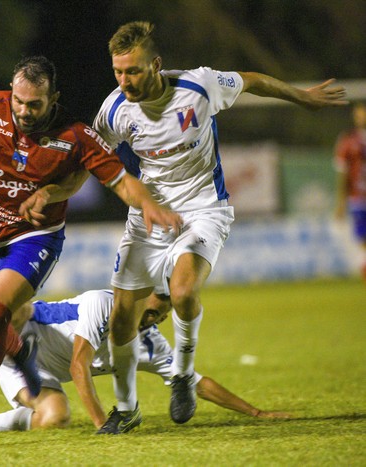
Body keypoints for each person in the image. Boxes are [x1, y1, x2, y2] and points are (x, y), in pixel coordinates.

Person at [0, 55, 182, 446]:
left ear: (53, 100)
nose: (23, 110)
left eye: (34, 104)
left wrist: (148, 203)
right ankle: (25, 364)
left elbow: (121, 181)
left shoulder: (76, 137)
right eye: (19, 101)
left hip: (35, 236)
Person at [83, 21, 348, 431]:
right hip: (149, 215)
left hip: (204, 208)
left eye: (132, 70)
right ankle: (127, 408)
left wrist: (302, 96)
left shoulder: (199, 86)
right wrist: (50, 194)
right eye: (117, 72)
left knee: (183, 291)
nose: (124, 81)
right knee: (122, 317)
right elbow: (89, 156)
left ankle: (184, 376)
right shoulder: (115, 109)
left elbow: (252, 80)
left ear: (156, 64)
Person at [0, 290, 292, 433]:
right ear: (136, 297)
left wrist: (257, 414)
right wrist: (103, 423)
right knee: (17, 307)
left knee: (55, 418)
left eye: (161, 317)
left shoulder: (150, 342)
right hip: (16, 349)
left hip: (45, 371)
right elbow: (80, 365)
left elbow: (194, 381)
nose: (152, 321)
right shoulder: (101, 305)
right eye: (151, 311)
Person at [334, 101, 366, 283]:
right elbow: (342, 171)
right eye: (358, 114)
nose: (360, 117)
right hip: (358, 198)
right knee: (362, 238)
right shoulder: (348, 140)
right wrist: (340, 201)